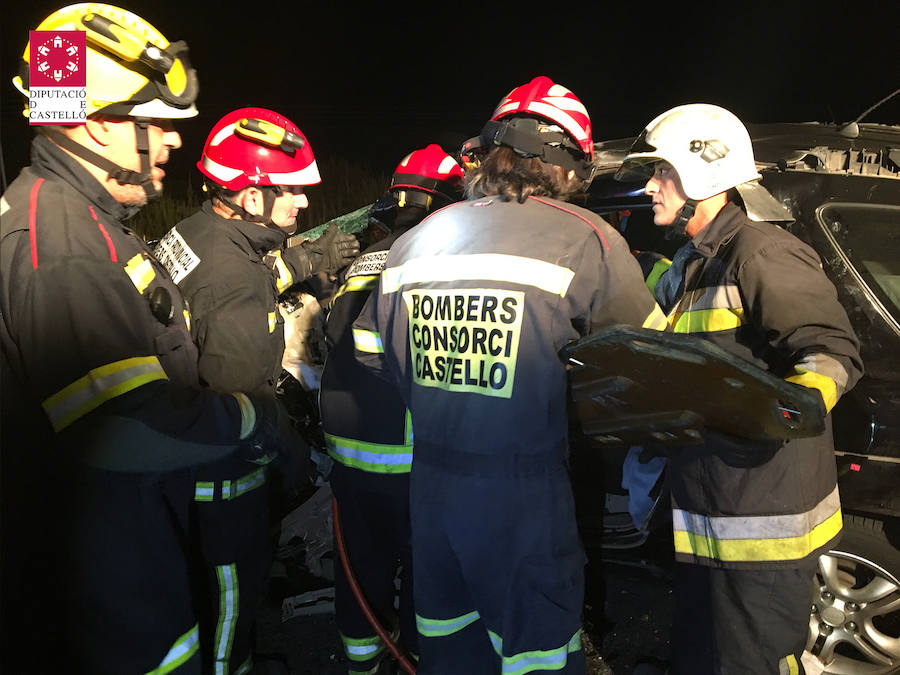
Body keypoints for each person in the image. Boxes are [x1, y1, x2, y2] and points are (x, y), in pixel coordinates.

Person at [0, 5, 300, 673]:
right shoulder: (67, 246)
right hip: (106, 596)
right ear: (92, 122)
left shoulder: (79, 217)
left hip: (123, 558)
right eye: (154, 124)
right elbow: (125, 428)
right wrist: (259, 417)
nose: (169, 143)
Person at [352, 76, 668, 674]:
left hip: (434, 493)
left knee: (449, 646)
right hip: (523, 495)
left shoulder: (416, 241)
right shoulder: (589, 238)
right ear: (569, 164)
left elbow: (373, 353)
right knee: (538, 653)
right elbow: (650, 366)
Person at [615, 104, 863, 674]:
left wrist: (778, 414)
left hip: (762, 527)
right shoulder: (698, 263)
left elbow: (831, 353)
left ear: (705, 174)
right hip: (712, 514)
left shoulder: (762, 253)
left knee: (750, 662)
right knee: (707, 653)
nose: (651, 186)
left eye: (664, 173)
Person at [153, 106, 359, 674]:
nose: (304, 204)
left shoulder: (201, 232)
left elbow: (246, 274)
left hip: (178, 460)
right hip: (222, 478)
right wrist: (293, 457)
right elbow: (242, 397)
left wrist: (303, 259)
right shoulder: (231, 274)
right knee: (229, 596)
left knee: (206, 587)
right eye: (291, 192)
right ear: (250, 196)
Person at [320, 144, 465, 674]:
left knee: (360, 574)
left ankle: (363, 664)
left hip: (350, 463)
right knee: (428, 575)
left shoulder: (365, 261)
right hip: (410, 464)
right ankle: (424, 659)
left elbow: (330, 341)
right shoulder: (437, 263)